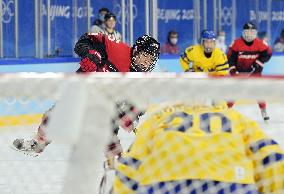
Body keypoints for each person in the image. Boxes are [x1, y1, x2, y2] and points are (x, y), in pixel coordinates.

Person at [12, 33, 160, 156]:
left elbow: (139, 108)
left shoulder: (141, 81)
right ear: (135, 51)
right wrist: (90, 54)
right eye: (145, 55)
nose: (146, 62)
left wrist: (131, 116)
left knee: (107, 136)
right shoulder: (116, 49)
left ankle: (116, 164)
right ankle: (38, 144)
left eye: (151, 59)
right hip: (82, 90)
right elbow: (83, 42)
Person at [114, 102, 284, 194]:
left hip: (165, 183)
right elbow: (270, 154)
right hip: (231, 183)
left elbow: (131, 162)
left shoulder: (161, 116)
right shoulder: (234, 116)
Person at [227, 22, 272, 121]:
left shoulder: (261, 44)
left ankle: (263, 110)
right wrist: (233, 72)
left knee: (259, 92)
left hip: (255, 72)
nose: (249, 35)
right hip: (239, 72)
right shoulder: (236, 44)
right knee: (234, 91)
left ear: (255, 33)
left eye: (252, 32)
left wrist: (259, 62)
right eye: (247, 32)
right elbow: (230, 58)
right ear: (243, 32)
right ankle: (227, 109)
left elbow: (268, 54)